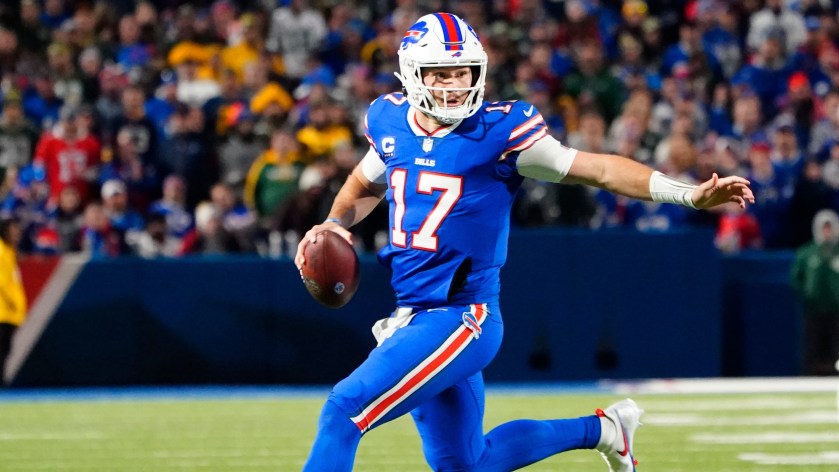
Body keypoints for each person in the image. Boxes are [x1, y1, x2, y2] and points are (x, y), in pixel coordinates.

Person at [294, 13, 754, 472]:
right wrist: (333, 223)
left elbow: (600, 169)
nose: (454, 86)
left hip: (462, 316)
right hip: (413, 312)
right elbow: (365, 182)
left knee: (343, 410)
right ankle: (606, 430)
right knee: (466, 464)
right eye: (440, 74)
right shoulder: (390, 119)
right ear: (413, 74)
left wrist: (687, 194)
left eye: (462, 72)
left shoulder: (501, 132)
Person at [790, 209, 839, 376]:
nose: (827, 232)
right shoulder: (807, 252)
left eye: (829, 227)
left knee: (835, 343)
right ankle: (811, 372)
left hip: (836, 309)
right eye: (824, 228)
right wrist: (807, 293)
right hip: (813, 308)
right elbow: (796, 278)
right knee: (813, 342)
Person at [0, 216, 26, 385]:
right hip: (3, 309)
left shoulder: (9, 251)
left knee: (5, 349)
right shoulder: (1, 251)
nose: (17, 233)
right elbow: (2, 281)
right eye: (13, 229)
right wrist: (12, 302)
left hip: (8, 311)